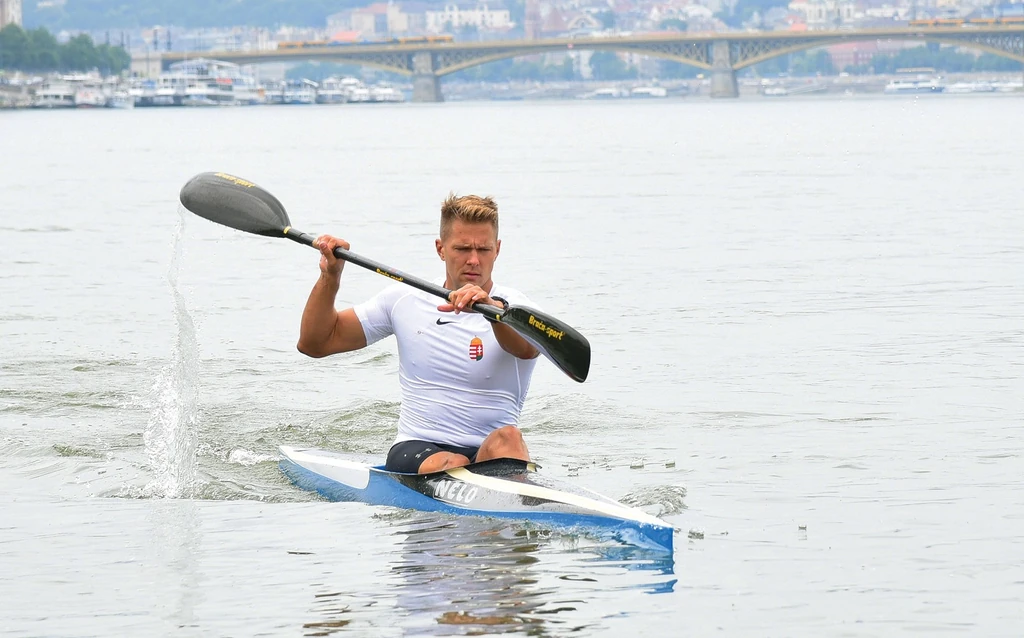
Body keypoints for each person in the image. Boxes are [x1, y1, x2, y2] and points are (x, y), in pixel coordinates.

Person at [296, 194, 541, 474]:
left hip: (491, 451)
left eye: (483, 249)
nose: (473, 260)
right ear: (441, 249)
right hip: (418, 448)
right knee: (454, 463)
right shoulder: (405, 299)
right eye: (462, 248)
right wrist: (331, 276)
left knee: (509, 437)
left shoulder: (518, 309)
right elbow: (315, 342)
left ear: (497, 249)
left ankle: (516, 500)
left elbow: (527, 349)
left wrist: (494, 312)